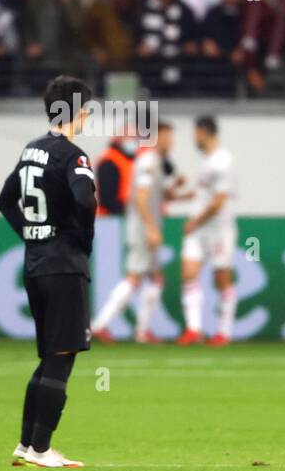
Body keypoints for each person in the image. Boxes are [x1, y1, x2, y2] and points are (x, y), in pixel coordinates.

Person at [0, 76, 96, 468]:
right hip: (63, 265)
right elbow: (85, 198)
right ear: (78, 112)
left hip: (36, 264)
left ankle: (25, 444)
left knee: (50, 354)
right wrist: (81, 239)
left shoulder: (31, 150)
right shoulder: (74, 156)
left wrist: (31, 235)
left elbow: (5, 200)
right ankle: (41, 448)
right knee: (63, 354)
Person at [90, 121, 179, 344]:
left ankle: (142, 331)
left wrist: (180, 193)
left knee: (156, 278)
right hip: (142, 228)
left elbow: (153, 197)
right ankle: (99, 325)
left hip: (148, 226)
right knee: (135, 276)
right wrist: (151, 229)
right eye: (167, 136)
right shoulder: (148, 162)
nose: (171, 142)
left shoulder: (154, 161)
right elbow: (139, 199)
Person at [178, 116, 238, 346]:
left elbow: (219, 201)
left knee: (221, 277)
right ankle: (194, 329)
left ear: (204, 132)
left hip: (217, 228)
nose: (194, 138)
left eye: (195, 133)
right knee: (188, 272)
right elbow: (201, 195)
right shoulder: (207, 161)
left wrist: (195, 222)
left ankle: (224, 331)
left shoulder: (223, 160)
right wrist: (176, 196)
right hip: (199, 227)